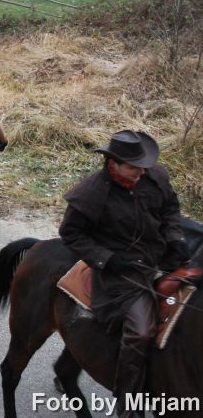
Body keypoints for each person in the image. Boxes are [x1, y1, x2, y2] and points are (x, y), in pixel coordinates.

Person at [59, 130, 189, 418]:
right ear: (113, 163)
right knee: (141, 331)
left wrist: (176, 237)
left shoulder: (153, 175)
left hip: (160, 251)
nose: (141, 172)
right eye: (133, 168)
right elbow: (70, 233)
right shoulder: (91, 193)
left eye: (142, 166)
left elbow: (170, 209)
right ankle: (126, 404)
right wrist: (106, 259)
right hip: (123, 270)